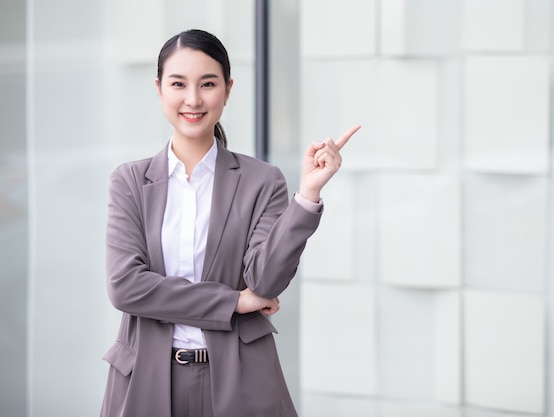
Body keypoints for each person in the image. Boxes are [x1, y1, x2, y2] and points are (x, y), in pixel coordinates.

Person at [100, 29, 360, 417]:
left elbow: (266, 282)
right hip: (147, 378)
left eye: (208, 83)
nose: (193, 99)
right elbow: (126, 287)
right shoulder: (131, 182)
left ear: (228, 89)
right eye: (178, 84)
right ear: (159, 89)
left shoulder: (262, 180)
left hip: (241, 378)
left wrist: (307, 195)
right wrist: (234, 301)